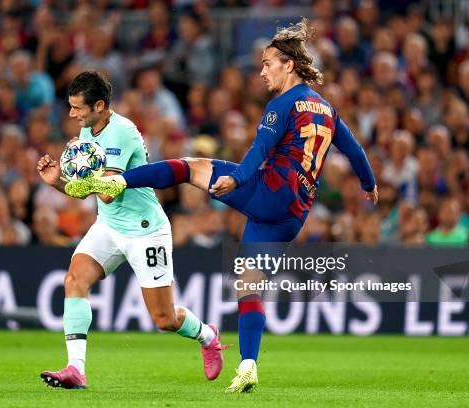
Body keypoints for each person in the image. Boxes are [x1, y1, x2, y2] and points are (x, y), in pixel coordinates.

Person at [66, 20, 379, 393]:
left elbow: (259, 151)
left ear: (288, 65)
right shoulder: (327, 108)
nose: (262, 71)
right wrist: (369, 183)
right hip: (293, 213)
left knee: (190, 167)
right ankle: (248, 364)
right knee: (248, 285)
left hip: (269, 192)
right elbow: (355, 150)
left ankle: (118, 180)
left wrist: (240, 178)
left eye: (267, 64)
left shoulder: (283, 104)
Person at [37, 71, 224, 390]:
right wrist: (58, 181)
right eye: (70, 107)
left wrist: (75, 177)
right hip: (109, 225)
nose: (72, 114)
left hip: (145, 230)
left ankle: (208, 336)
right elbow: (87, 192)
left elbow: (108, 191)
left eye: (78, 108)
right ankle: (75, 369)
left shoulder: (122, 132)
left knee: (164, 319)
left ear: (99, 106)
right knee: (74, 279)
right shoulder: (87, 133)